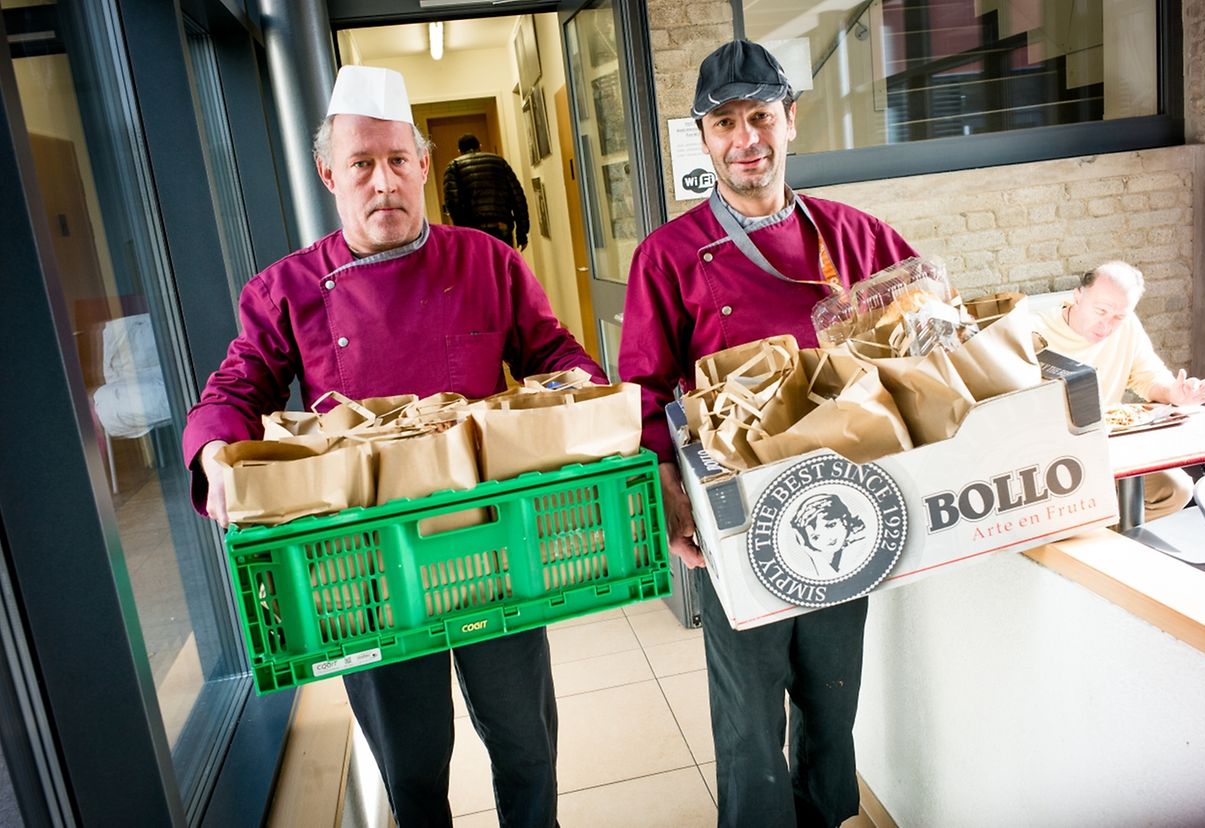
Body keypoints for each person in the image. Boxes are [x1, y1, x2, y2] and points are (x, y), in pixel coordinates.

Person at [183, 64, 602, 827]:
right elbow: (235, 391)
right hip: (369, 568)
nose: (383, 183)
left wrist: (579, 392)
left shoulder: (488, 262)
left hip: (492, 546)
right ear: (328, 176)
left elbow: (556, 354)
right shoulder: (287, 288)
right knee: (412, 772)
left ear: (423, 165)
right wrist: (215, 453)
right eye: (361, 165)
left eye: (397, 161)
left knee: (526, 749)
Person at [618, 40, 918, 827]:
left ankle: (824, 817)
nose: (746, 138)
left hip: (842, 501)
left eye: (760, 116)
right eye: (725, 123)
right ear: (705, 139)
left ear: (789, 121)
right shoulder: (668, 256)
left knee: (832, 694)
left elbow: (928, 338)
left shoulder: (855, 236)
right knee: (748, 710)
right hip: (739, 514)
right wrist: (666, 494)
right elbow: (644, 393)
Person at [1033, 260, 1205, 521]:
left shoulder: (1127, 327)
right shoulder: (1035, 331)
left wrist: (1176, 394)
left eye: (1118, 317)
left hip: (1107, 444)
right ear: (1077, 295)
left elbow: (1149, 377)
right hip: (1050, 452)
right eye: (1101, 311)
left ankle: (1104, 538)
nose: (1106, 325)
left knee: (1176, 489)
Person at [443, 133, 530, 249]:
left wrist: (463, 231)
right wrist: (522, 233)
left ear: (460, 151)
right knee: (503, 265)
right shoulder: (499, 162)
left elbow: (453, 204)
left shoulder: (454, 167)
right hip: (501, 226)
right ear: (480, 146)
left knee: (482, 266)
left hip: (474, 232)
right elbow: (518, 198)